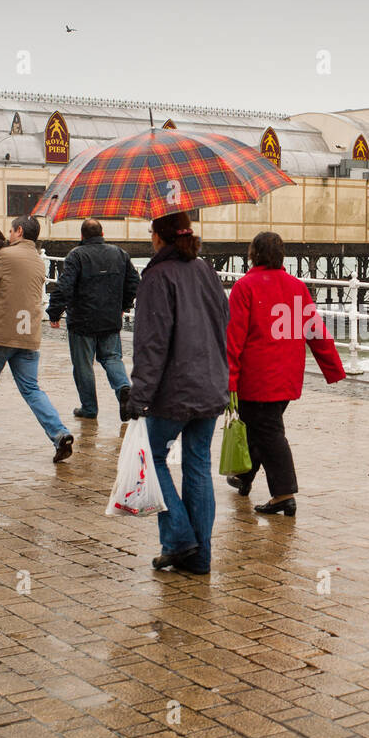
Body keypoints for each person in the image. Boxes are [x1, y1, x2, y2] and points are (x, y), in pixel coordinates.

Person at [124, 211, 228, 574]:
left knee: (152, 458)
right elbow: (222, 324)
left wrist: (138, 396)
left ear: (159, 237)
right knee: (198, 464)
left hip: (174, 390)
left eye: (151, 231)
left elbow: (151, 345)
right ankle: (199, 558)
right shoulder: (206, 271)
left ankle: (179, 540)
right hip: (211, 383)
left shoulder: (156, 276)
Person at [224, 230, 345, 515]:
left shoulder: (245, 287)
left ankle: (283, 493)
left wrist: (227, 379)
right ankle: (243, 477)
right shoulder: (297, 287)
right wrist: (333, 367)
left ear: (252, 254)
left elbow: (234, 338)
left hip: (256, 379)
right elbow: (315, 330)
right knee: (260, 429)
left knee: (269, 433)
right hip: (287, 378)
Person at [0, 216, 74, 464]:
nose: (8, 236)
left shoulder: (5, 256)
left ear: (19, 231)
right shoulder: (38, 261)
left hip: (1, 335)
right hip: (29, 334)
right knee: (32, 389)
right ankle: (60, 433)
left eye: (11, 231)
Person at [46, 218, 140, 421]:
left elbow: (64, 287)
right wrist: (124, 305)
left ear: (82, 236)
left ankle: (89, 409)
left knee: (83, 365)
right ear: (103, 234)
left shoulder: (76, 255)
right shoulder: (119, 253)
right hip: (110, 319)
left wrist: (54, 313)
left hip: (82, 321)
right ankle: (124, 388)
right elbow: (134, 282)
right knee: (112, 358)